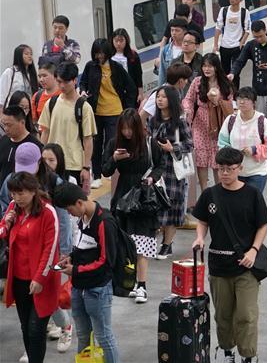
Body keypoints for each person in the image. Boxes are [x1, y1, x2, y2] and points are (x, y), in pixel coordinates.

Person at [192, 147, 267, 363]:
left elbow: (263, 225)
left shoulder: (252, 194)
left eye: (230, 169)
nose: (225, 173)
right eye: (221, 169)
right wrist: (200, 237)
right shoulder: (210, 194)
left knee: (246, 315)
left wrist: (254, 250)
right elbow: (202, 221)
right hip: (219, 265)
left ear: (240, 168)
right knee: (223, 315)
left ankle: (248, 354)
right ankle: (227, 351)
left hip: (246, 266)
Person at [52, 182, 121, 363]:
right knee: (83, 335)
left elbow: (106, 262)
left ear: (79, 203)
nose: (69, 214)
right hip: (79, 288)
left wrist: (75, 270)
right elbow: (83, 248)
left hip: (98, 290)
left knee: (104, 336)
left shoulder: (105, 222)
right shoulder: (83, 218)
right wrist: (71, 258)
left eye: (69, 209)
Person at [101, 109, 162, 303]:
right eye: (124, 129)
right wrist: (115, 159)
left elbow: (160, 165)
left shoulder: (149, 143)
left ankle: (142, 285)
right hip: (123, 199)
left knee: (142, 242)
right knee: (125, 243)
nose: (127, 132)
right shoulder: (114, 144)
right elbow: (105, 170)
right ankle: (129, 283)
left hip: (144, 198)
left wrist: (152, 178)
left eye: (130, 128)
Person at [0, 172, 61, 363]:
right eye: (13, 194)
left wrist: (40, 277)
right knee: (25, 327)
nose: (17, 198)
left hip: (42, 280)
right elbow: (2, 233)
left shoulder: (48, 212)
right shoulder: (13, 207)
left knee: (36, 329)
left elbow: (50, 249)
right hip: (19, 278)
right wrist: (6, 223)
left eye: (21, 193)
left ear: (33, 191)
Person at [81, 38, 137, 185]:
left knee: (111, 143)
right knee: (96, 143)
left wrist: (128, 108)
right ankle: (97, 175)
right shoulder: (90, 67)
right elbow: (83, 82)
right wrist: (82, 91)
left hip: (114, 111)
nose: (99, 56)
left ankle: (109, 170)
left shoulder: (116, 67)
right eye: (96, 53)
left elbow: (131, 87)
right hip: (96, 112)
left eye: (102, 53)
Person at [148, 85, 193, 259]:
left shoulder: (179, 122)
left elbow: (189, 144)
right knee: (156, 205)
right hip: (156, 168)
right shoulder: (153, 120)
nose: (159, 100)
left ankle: (167, 244)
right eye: (158, 97)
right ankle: (161, 242)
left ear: (171, 100)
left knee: (172, 206)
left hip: (173, 170)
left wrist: (172, 147)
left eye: (163, 97)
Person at [38, 61, 95, 192]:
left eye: (66, 82)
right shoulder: (51, 103)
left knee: (73, 203)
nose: (62, 86)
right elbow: (45, 132)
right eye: (59, 82)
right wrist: (41, 159)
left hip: (73, 165)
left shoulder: (84, 107)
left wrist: (86, 167)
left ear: (75, 80)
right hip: (51, 164)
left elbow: (88, 139)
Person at [182, 53, 233, 192]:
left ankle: (219, 191)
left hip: (219, 123)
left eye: (210, 66)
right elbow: (188, 99)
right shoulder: (197, 82)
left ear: (216, 67)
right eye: (204, 66)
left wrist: (218, 101)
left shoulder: (225, 83)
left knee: (218, 159)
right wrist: (187, 110)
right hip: (200, 123)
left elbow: (230, 103)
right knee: (201, 159)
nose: (206, 69)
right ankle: (205, 191)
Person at [217, 87, 267, 194]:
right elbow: (222, 143)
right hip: (234, 172)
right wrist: (232, 154)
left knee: (251, 201)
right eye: (239, 99)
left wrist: (254, 150)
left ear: (254, 102)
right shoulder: (231, 120)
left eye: (246, 99)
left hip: (257, 172)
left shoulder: (262, 121)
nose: (242, 102)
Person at [213, 0, 251, 87]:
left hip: (237, 47)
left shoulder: (245, 12)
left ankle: (235, 92)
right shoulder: (223, 10)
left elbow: (247, 30)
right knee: (224, 72)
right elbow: (218, 28)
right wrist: (215, 45)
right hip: (224, 46)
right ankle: (226, 91)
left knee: (235, 73)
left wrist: (241, 43)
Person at [0, 44, 38, 109]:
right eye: (26, 54)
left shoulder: (31, 74)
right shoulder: (10, 72)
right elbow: (2, 95)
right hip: (12, 110)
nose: (30, 56)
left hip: (28, 110)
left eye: (31, 54)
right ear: (19, 56)